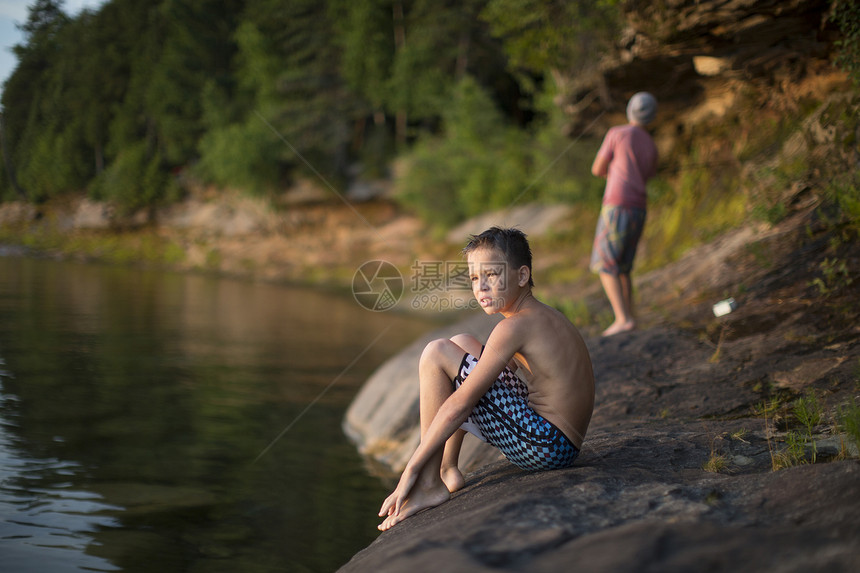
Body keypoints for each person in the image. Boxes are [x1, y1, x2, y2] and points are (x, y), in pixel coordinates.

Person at [378, 227, 595, 531]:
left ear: (522, 276)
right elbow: (486, 377)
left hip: (546, 445)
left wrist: (410, 469)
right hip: (557, 441)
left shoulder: (514, 327)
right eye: (475, 279)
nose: (481, 288)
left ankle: (428, 483)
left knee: (437, 352)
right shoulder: (541, 315)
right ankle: (447, 468)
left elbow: (461, 403)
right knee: (463, 342)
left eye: (491, 275)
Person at [590, 92, 659, 337]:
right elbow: (648, 174)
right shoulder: (651, 144)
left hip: (617, 204)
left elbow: (597, 168)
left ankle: (622, 319)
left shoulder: (617, 133)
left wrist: (613, 172)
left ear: (630, 110)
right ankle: (630, 317)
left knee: (605, 264)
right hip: (639, 207)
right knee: (624, 267)